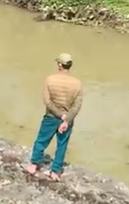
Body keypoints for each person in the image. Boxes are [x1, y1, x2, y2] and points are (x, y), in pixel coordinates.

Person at [25, 53, 84, 181]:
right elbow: (76, 106)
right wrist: (66, 119)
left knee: (41, 140)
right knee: (62, 145)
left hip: (51, 117)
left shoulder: (50, 80)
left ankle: (34, 164)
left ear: (59, 65)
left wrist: (59, 114)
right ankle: (55, 172)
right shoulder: (78, 84)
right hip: (67, 120)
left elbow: (47, 101)